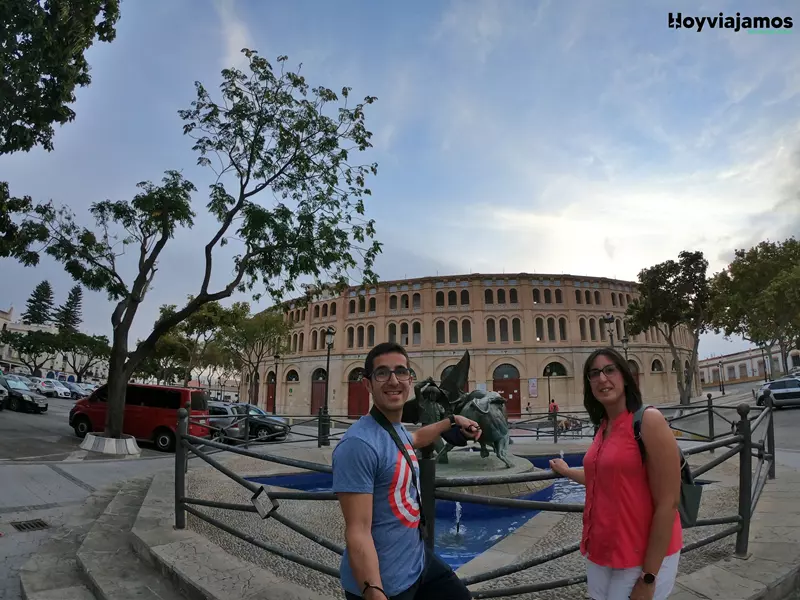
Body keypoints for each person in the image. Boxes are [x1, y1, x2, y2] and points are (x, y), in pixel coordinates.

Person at [333, 342, 481, 600]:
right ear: (368, 384)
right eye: (382, 373)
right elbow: (357, 532)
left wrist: (454, 420)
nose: (393, 380)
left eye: (401, 372)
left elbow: (414, 438)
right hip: (387, 583)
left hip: (419, 561)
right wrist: (374, 592)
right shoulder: (358, 445)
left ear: (410, 380)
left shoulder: (394, 429)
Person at [549, 348, 682, 600]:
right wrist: (567, 471)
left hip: (640, 554)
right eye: (594, 373)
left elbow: (669, 502)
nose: (602, 379)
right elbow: (602, 480)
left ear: (625, 375)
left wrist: (649, 577)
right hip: (602, 550)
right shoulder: (604, 426)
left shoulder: (648, 420)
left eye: (610, 370)